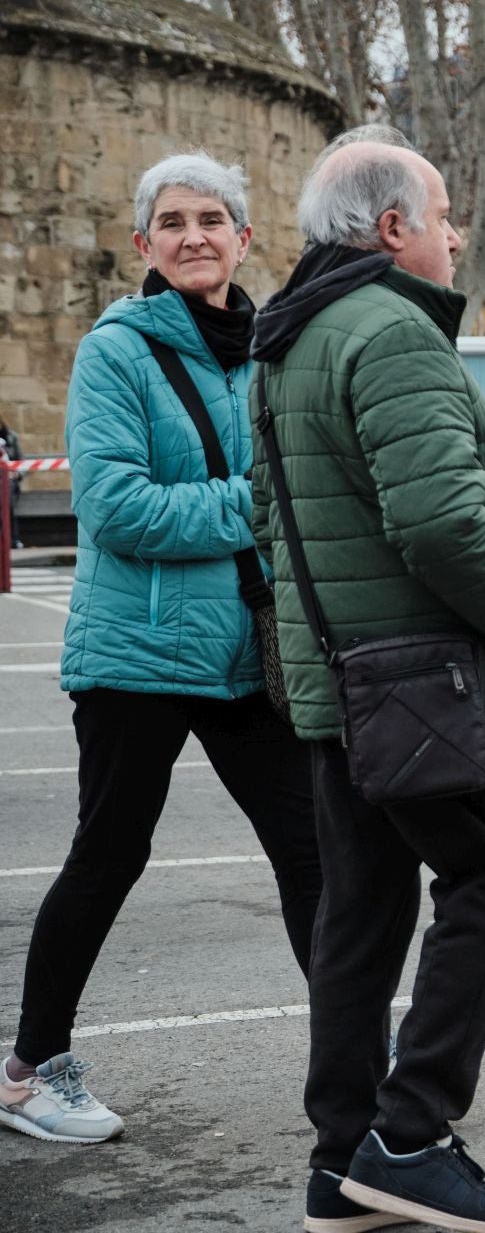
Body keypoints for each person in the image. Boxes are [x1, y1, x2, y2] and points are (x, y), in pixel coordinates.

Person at [250, 141, 485, 1233]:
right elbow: (437, 521)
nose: (455, 232)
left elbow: (268, 522)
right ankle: (411, 1133)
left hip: (344, 683)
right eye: (439, 209)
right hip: (428, 680)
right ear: (388, 229)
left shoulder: (291, 336)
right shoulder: (391, 331)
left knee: (361, 915)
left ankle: (343, 1161)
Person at [1, 154, 323, 1146]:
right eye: (172, 221)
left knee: (313, 854)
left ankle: (360, 1063)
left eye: (212, 218)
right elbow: (118, 505)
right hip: (136, 652)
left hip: (245, 648)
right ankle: (25, 1073)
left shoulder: (269, 348)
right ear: (144, 244)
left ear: (245, 238)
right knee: (109, 853)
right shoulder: (116, 351)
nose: (194, 235)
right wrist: (259, 504)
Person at [1, 415, 20, 548]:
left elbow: (21, 460)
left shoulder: (11, 437)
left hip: (9, 480)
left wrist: (16, 473)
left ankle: (13, 539)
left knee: (7, 498)